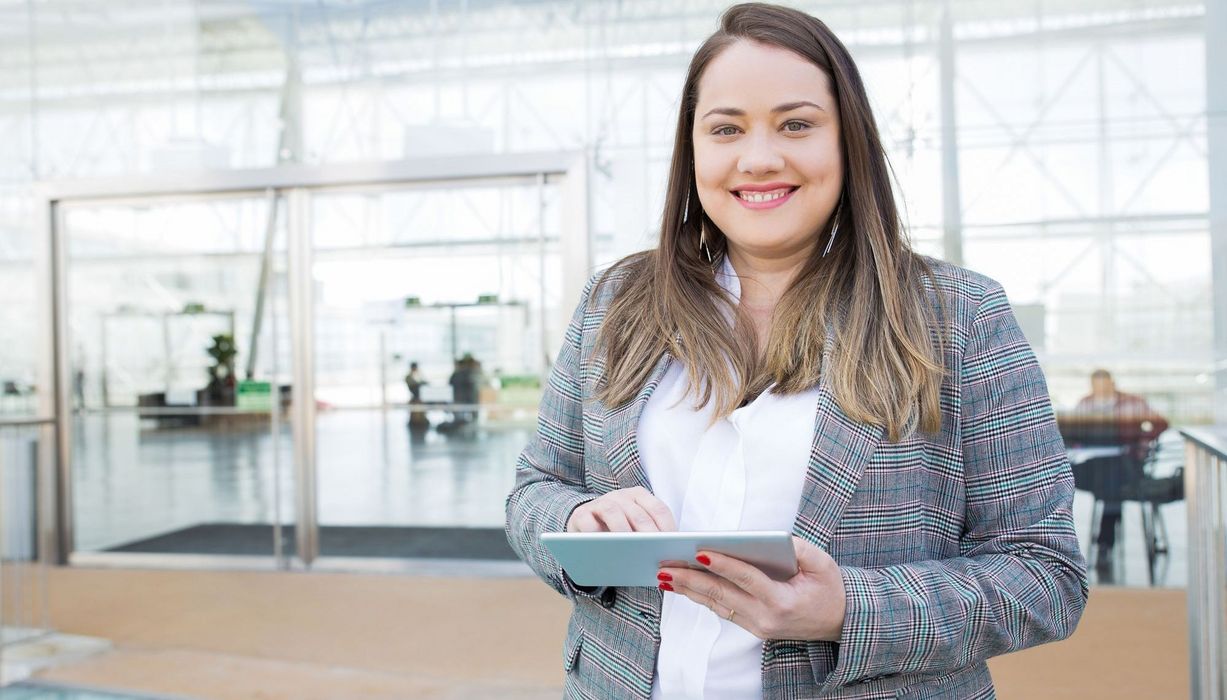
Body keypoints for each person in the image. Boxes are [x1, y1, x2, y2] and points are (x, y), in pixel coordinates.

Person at [505, 4, 1087, 698]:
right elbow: (535, 488)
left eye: (796, 124)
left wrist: (845, 609)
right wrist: (575, 521)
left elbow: (1043, 574)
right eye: (725, 129)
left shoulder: (956, 317)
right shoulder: (616, 301)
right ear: (692, 151)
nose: (757, 158)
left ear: (849, 142)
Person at [1072, 369, 1169, 580]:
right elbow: (1072, 433)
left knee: (1111, 482)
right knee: (1106, 481)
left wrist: (1140, 441)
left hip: (1126, 465)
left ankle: (1105, 542)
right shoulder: (1085, 404)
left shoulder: (1133, 402)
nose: (1100, 390)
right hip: (1093, 468)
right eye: (1096, 386)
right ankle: (1103, 543)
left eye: (1104, 385)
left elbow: (1161, 423)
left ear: (1112, 383)